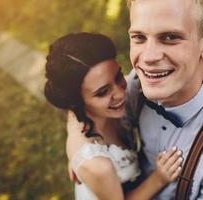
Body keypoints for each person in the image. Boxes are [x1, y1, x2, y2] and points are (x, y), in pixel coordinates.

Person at [44, 32, 183, 200]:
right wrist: (159, 178)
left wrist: (72, 159)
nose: (120, 93)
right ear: (77, 102)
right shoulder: (97, 165)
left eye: (118, 76)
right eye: (102, 92)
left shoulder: (78, 113)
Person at [125, 0, 203, 199]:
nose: (149, 57)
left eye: (170, 37)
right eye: (139, 37)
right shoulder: (138, 82)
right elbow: (89, 99)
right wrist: (80, 143)